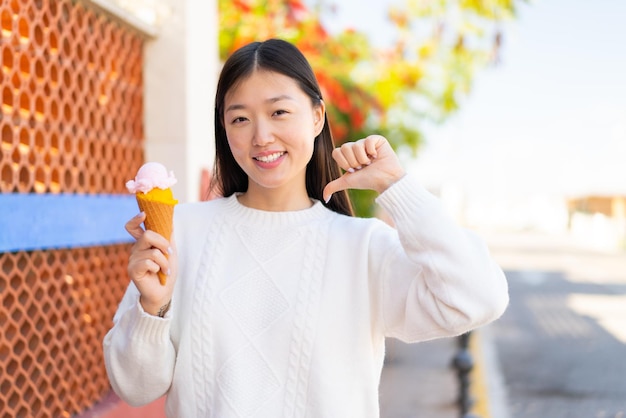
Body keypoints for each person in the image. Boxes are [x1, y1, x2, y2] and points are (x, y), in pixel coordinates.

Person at [103, 38, 508, 418]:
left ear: (316, 117)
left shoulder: (363, 247)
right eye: (240, 118)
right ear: (224, 131)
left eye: (279, 112)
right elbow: (136, 388)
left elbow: (478, 298)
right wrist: (152, 308)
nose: (262, 136)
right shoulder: (183, 233)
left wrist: (397, 187)